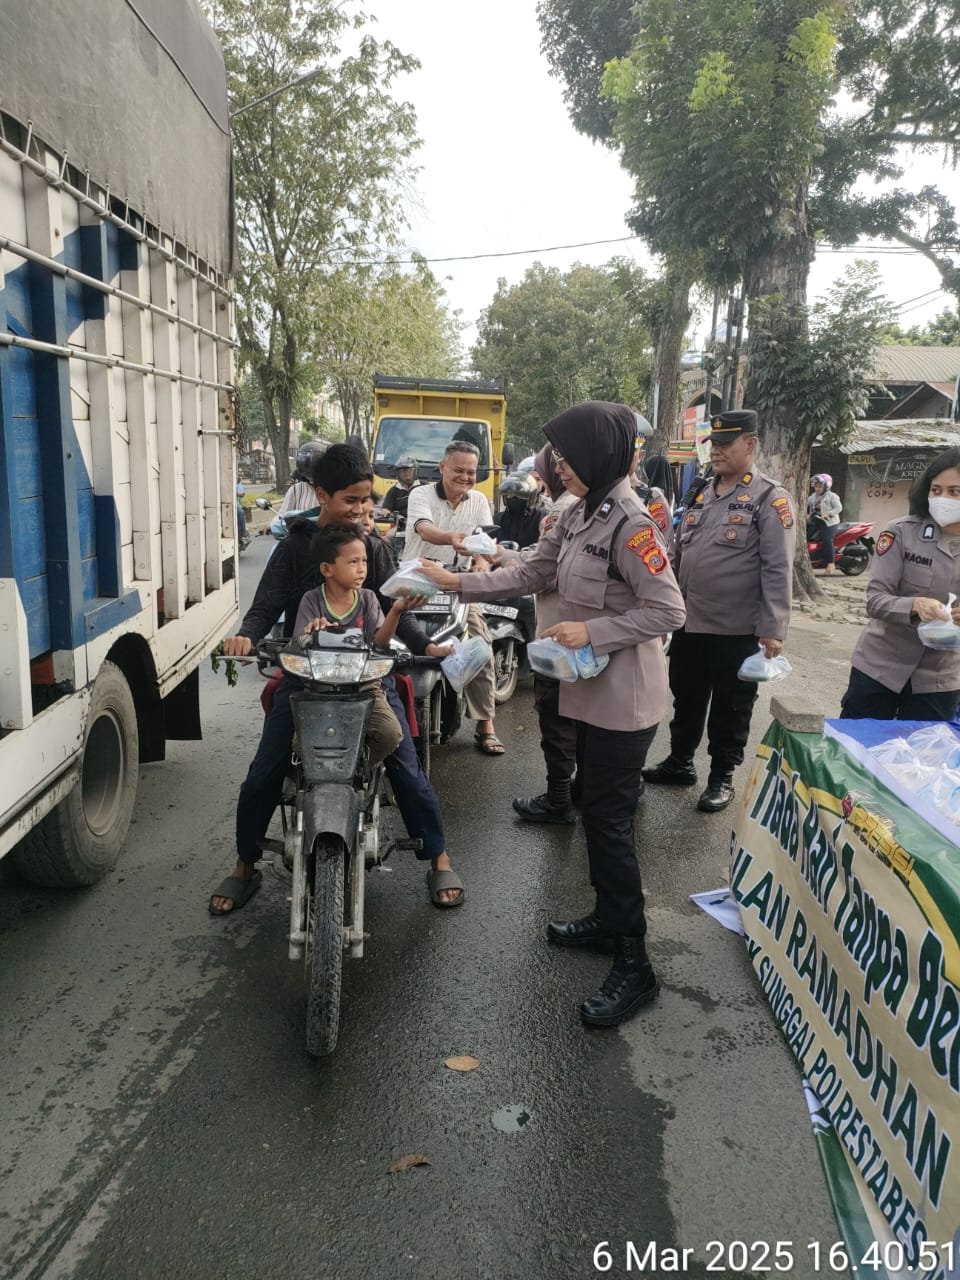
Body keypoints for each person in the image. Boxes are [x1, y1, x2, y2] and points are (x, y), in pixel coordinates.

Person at [419, 401, 687, 1027]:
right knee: (593, 808)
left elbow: (668, 610)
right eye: (556, 455)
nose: (557, 465)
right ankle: (604, 919)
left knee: (611, 824)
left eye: (567, 454)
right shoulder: (582, 514)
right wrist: (454, 583)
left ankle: (634, 960)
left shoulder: (630, 521)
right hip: (586, 690)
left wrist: (593, 630)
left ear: (598, 452)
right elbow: (534, 571)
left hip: (625, 699)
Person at [209, 444, 464, 915]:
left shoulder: (374, 547)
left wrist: (427, 648)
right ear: (321, 494)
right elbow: (265, 606)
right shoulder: (294, 547)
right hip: (306, 678)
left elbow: (395, 608)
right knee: (264, 770)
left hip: (367, 676)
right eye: (351, 501)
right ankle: (245, 863)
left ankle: (439, 857)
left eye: (367, 501)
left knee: (406, 765)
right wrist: (245, 636)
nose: (363, 510)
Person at [643, 410, 796, 813]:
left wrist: (773, 628)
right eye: (714, 444)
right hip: (690, 622)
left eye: (726, 445)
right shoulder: (700, 492)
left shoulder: (769, 498)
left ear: (750, 444)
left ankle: (721, 777)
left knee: (731, 708)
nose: (717, 452)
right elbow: (676, 551)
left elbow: (778, 567)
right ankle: (680, 763)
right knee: (686, 698)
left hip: (737, 629)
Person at [840, 447, 960, 720]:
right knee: (857, 753)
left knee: (922, 758)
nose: (943, 499)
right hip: (880, 667)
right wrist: (914, 605)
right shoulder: (901, 532)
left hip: (940, 677)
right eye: (936, 490)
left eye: (955, 492)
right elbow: (876, 599)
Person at [404, 440, 505, 756]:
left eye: (471, 472)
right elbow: (423, 529)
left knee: (480, 649)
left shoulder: (478, 501)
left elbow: (486, 548)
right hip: (416, 579)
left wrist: (480, 562)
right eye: (458, 470)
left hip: (459, 584)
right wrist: (451, 538)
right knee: (390, 645)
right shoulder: (420, 494)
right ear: (442, 468)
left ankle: (485, 724)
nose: (465, 477)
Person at [293, 525, 422, 765]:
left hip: (365, 687)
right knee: (302, 746)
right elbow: (300, 639)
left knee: (390, 734)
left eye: (364, 561)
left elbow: (379, 642)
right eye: (353, 562)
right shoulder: (312, 600)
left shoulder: (368, 598)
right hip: (320, 690)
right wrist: (313, 632)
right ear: (327, 569)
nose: (362, 568)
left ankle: (359, 770)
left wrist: (396, 610)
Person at [511, 442, 581, 822]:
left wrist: (481, 572)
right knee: (579, 719)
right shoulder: (591, 503)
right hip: (578, 636)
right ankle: (577, 791)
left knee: (556, 719)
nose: (544, 477)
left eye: (547, 470)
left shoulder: (563, 507)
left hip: (558, 636)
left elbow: (543, 568)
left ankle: (557, 800)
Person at [494, 471, 551, 549]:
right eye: (509, 495)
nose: (514, 499)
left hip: (529, 559)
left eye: (520, 496)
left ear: (530, 497)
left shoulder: (541, 517)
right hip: (500, 559)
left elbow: (547, 546)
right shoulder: (498, 518)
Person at [807, 474, 842, 574]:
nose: (817, 489)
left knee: (826, 539)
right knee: (806, 536)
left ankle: (831, 563)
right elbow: (806, 504)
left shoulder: (832, 496)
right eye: (816, 486)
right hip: (816, 521)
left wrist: (829, 514)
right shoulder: (813, 497)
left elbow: (838, 508)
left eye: (820, 486)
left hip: (830, 523)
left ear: (827, 486)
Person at [279, 442, 326, 516]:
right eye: (307, 475)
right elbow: (282, 516)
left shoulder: (333, 490)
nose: (311, 480)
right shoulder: (296, 490)